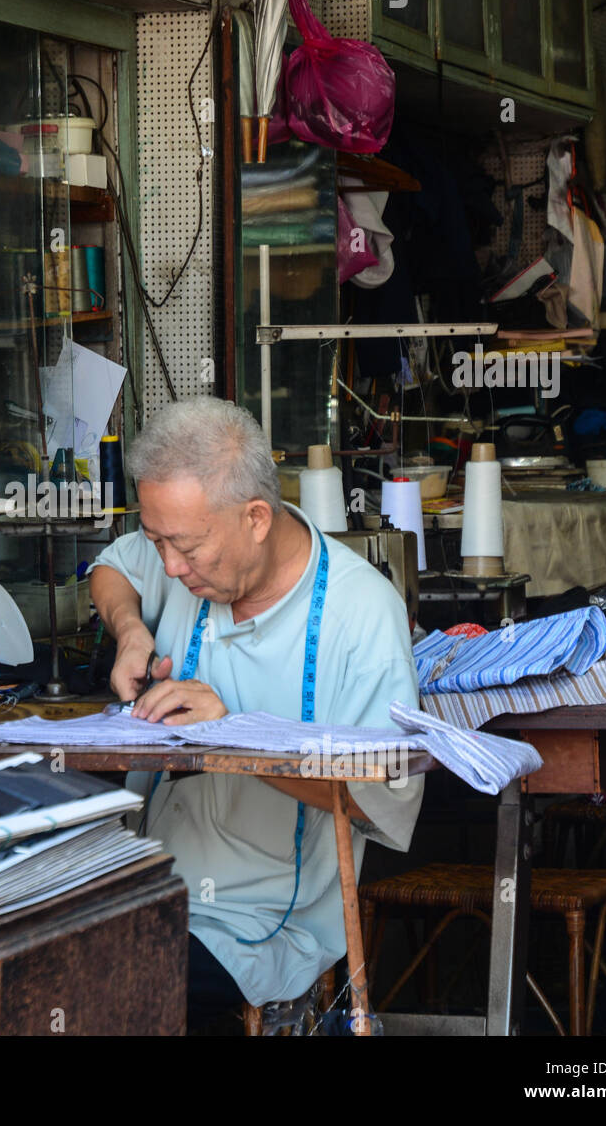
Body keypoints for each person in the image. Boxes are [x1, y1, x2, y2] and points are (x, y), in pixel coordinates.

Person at [90, 397, 423, 1033]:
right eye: (158, 541)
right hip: (144, 883)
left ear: (257, 518)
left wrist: (233, 735)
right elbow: (113, 567)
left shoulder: (361, 616)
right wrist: (131, 629)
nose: (170, 568)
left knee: (107, 970)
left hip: (257, 919)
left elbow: (381, 795)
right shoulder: (182, 562)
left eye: (184, 547)